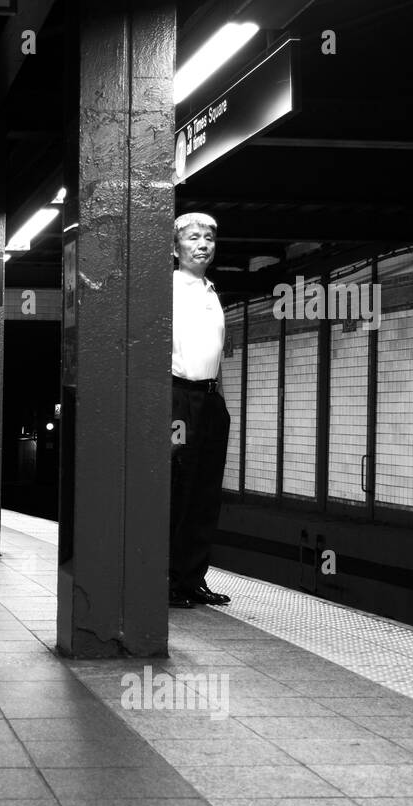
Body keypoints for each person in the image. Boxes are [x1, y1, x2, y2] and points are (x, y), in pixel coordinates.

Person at [169, 212, 231, 609]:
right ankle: (168, 578)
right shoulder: (168, 289)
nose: (203, 244)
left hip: (209, 400)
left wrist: (219, 399)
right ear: (176, 248)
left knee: (206, 493)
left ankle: (193, 578)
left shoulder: (211, 291)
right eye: (193, 237)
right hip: (178, 398)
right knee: (178, 487)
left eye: (209, 237)